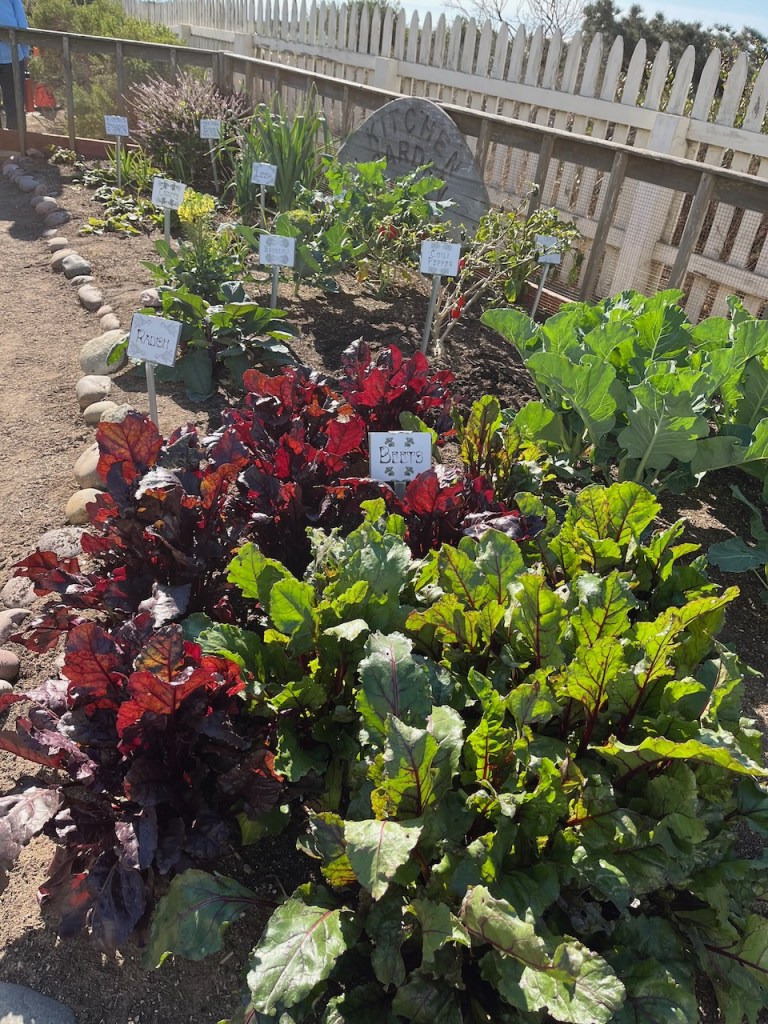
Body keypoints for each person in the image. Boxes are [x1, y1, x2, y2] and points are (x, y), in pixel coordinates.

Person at [0, 0, 30, 131]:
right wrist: (25, 52)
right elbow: (21, 22)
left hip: (10, 53)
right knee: (14, 103)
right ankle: (17, 143)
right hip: (10, 52)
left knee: (15, 104)